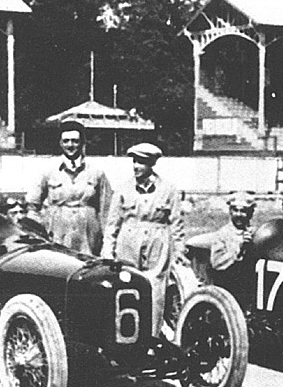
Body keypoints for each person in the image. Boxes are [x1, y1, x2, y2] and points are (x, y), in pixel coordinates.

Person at [101, 143, 189, 336]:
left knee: (156, 290)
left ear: (151, 164)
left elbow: (176, 224)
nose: (136, 166)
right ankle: (128, 337)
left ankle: (152, 339)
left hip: (157, 243)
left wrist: (180, 251)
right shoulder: (123, 189)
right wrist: (108, 250)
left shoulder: (169, 190)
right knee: (127, 286)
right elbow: (112, 224)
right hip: (128, 242)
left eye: (141, 162)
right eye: (134, 161)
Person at [26, 120, 112, 256]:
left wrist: (107, 244)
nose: (70, 145)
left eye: (75, 141)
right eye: (66, 141)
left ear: (82, 143)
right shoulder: (48, 171)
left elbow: (107, 211)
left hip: (88, 240)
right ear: (60, 143)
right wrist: (40, 234)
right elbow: (32, 206)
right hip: (57, 238)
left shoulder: (97, 173)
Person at [210, 192, 257, 271]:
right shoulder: (222, 234)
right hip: (230, 280)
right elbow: (217, 264)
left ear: (250, 213)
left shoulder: (256, 233)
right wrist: (239, 250)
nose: (238, 215)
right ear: (230, 212)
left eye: (243, 211)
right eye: (235, 210)